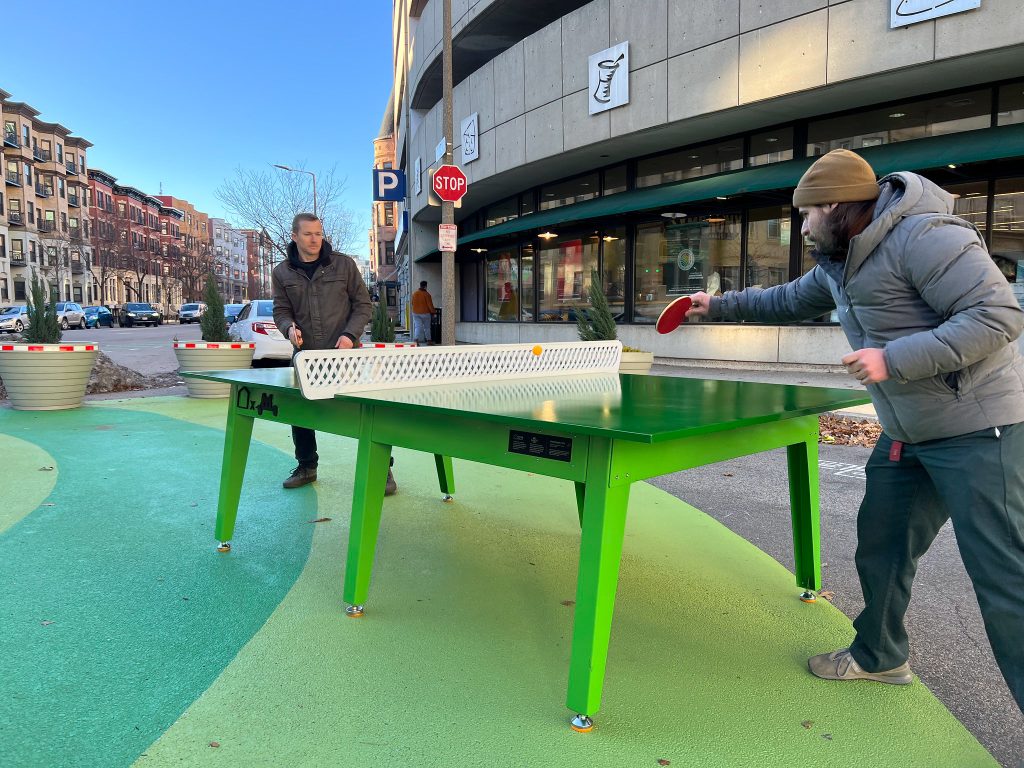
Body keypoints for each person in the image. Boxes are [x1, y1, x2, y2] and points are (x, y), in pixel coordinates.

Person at [686, 149, 1024, 712]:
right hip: (906, 431)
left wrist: (893, 359)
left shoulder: (926, 237)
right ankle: (879, 655)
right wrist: (715, 305)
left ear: (837, 205)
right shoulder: (841, 261)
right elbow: (787, 299)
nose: (800, 226)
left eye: (806, 214)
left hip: (977, 428)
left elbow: (998, 317)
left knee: (1005, 579)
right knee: (881, 547)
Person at [272, 213, 397, 495]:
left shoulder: (343, 264)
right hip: (307, 356)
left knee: (365, 412)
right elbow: (281, 311)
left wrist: (349, 335)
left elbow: (363, 305)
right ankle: (307, 466)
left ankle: (382, 470)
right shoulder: (282, 272)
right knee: (300, 411)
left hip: (346, 355)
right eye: (308, 234)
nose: (315, 239)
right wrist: (288, 329)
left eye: (319, 233)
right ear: (294, 236)